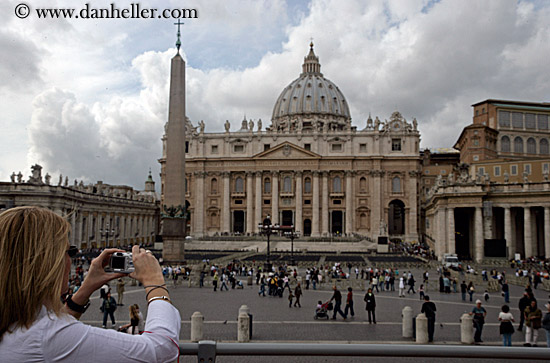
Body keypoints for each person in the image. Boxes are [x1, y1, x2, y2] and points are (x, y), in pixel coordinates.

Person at [0, 206, 180, 362]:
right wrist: (155, 282)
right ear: (47, 261)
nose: (70, 259)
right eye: (68, 251)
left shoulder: (21, 327)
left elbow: (49, 328)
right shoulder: (46, 339)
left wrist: (85, 289)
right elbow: (162, 349)